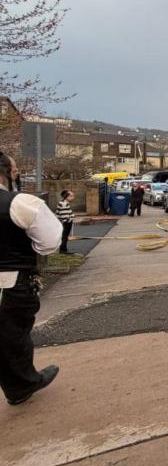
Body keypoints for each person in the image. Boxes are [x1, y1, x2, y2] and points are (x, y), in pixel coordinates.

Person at [0, 151, 62, 405]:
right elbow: (49, 243)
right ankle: (22, 385)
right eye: (14, 171)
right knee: (12, 337)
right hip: (10, 284)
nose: (15, 175)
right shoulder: (20, 203)